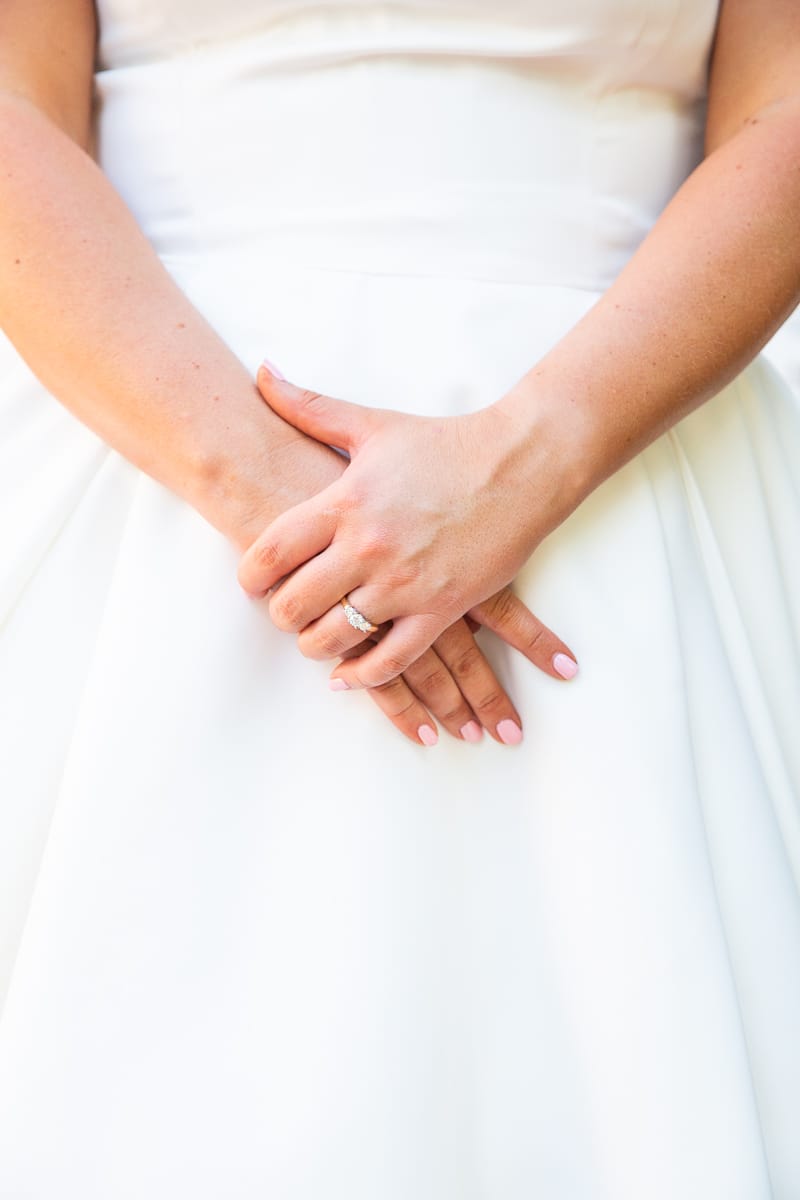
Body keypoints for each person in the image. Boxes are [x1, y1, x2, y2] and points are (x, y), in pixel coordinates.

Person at [0, 0, 798, 1196]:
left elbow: (780, 110)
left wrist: (535, 455)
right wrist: (275, 499)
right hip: (144, 474)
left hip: (623, 480)